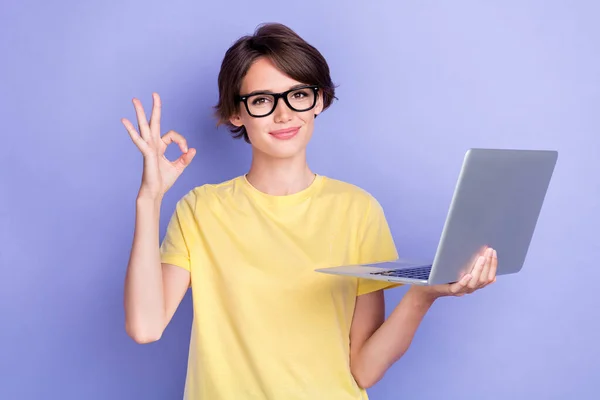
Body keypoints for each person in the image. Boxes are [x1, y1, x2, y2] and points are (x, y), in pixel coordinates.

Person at [122, 23, 497, 400]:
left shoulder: (358, 210)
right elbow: (145, 327)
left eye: (298, 94)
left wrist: (423, 295)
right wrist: (149, 199)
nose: (284, 114)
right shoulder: (200, 210)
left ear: (319, 101)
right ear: (237, 113)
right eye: (262, 100)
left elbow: (364, 369)